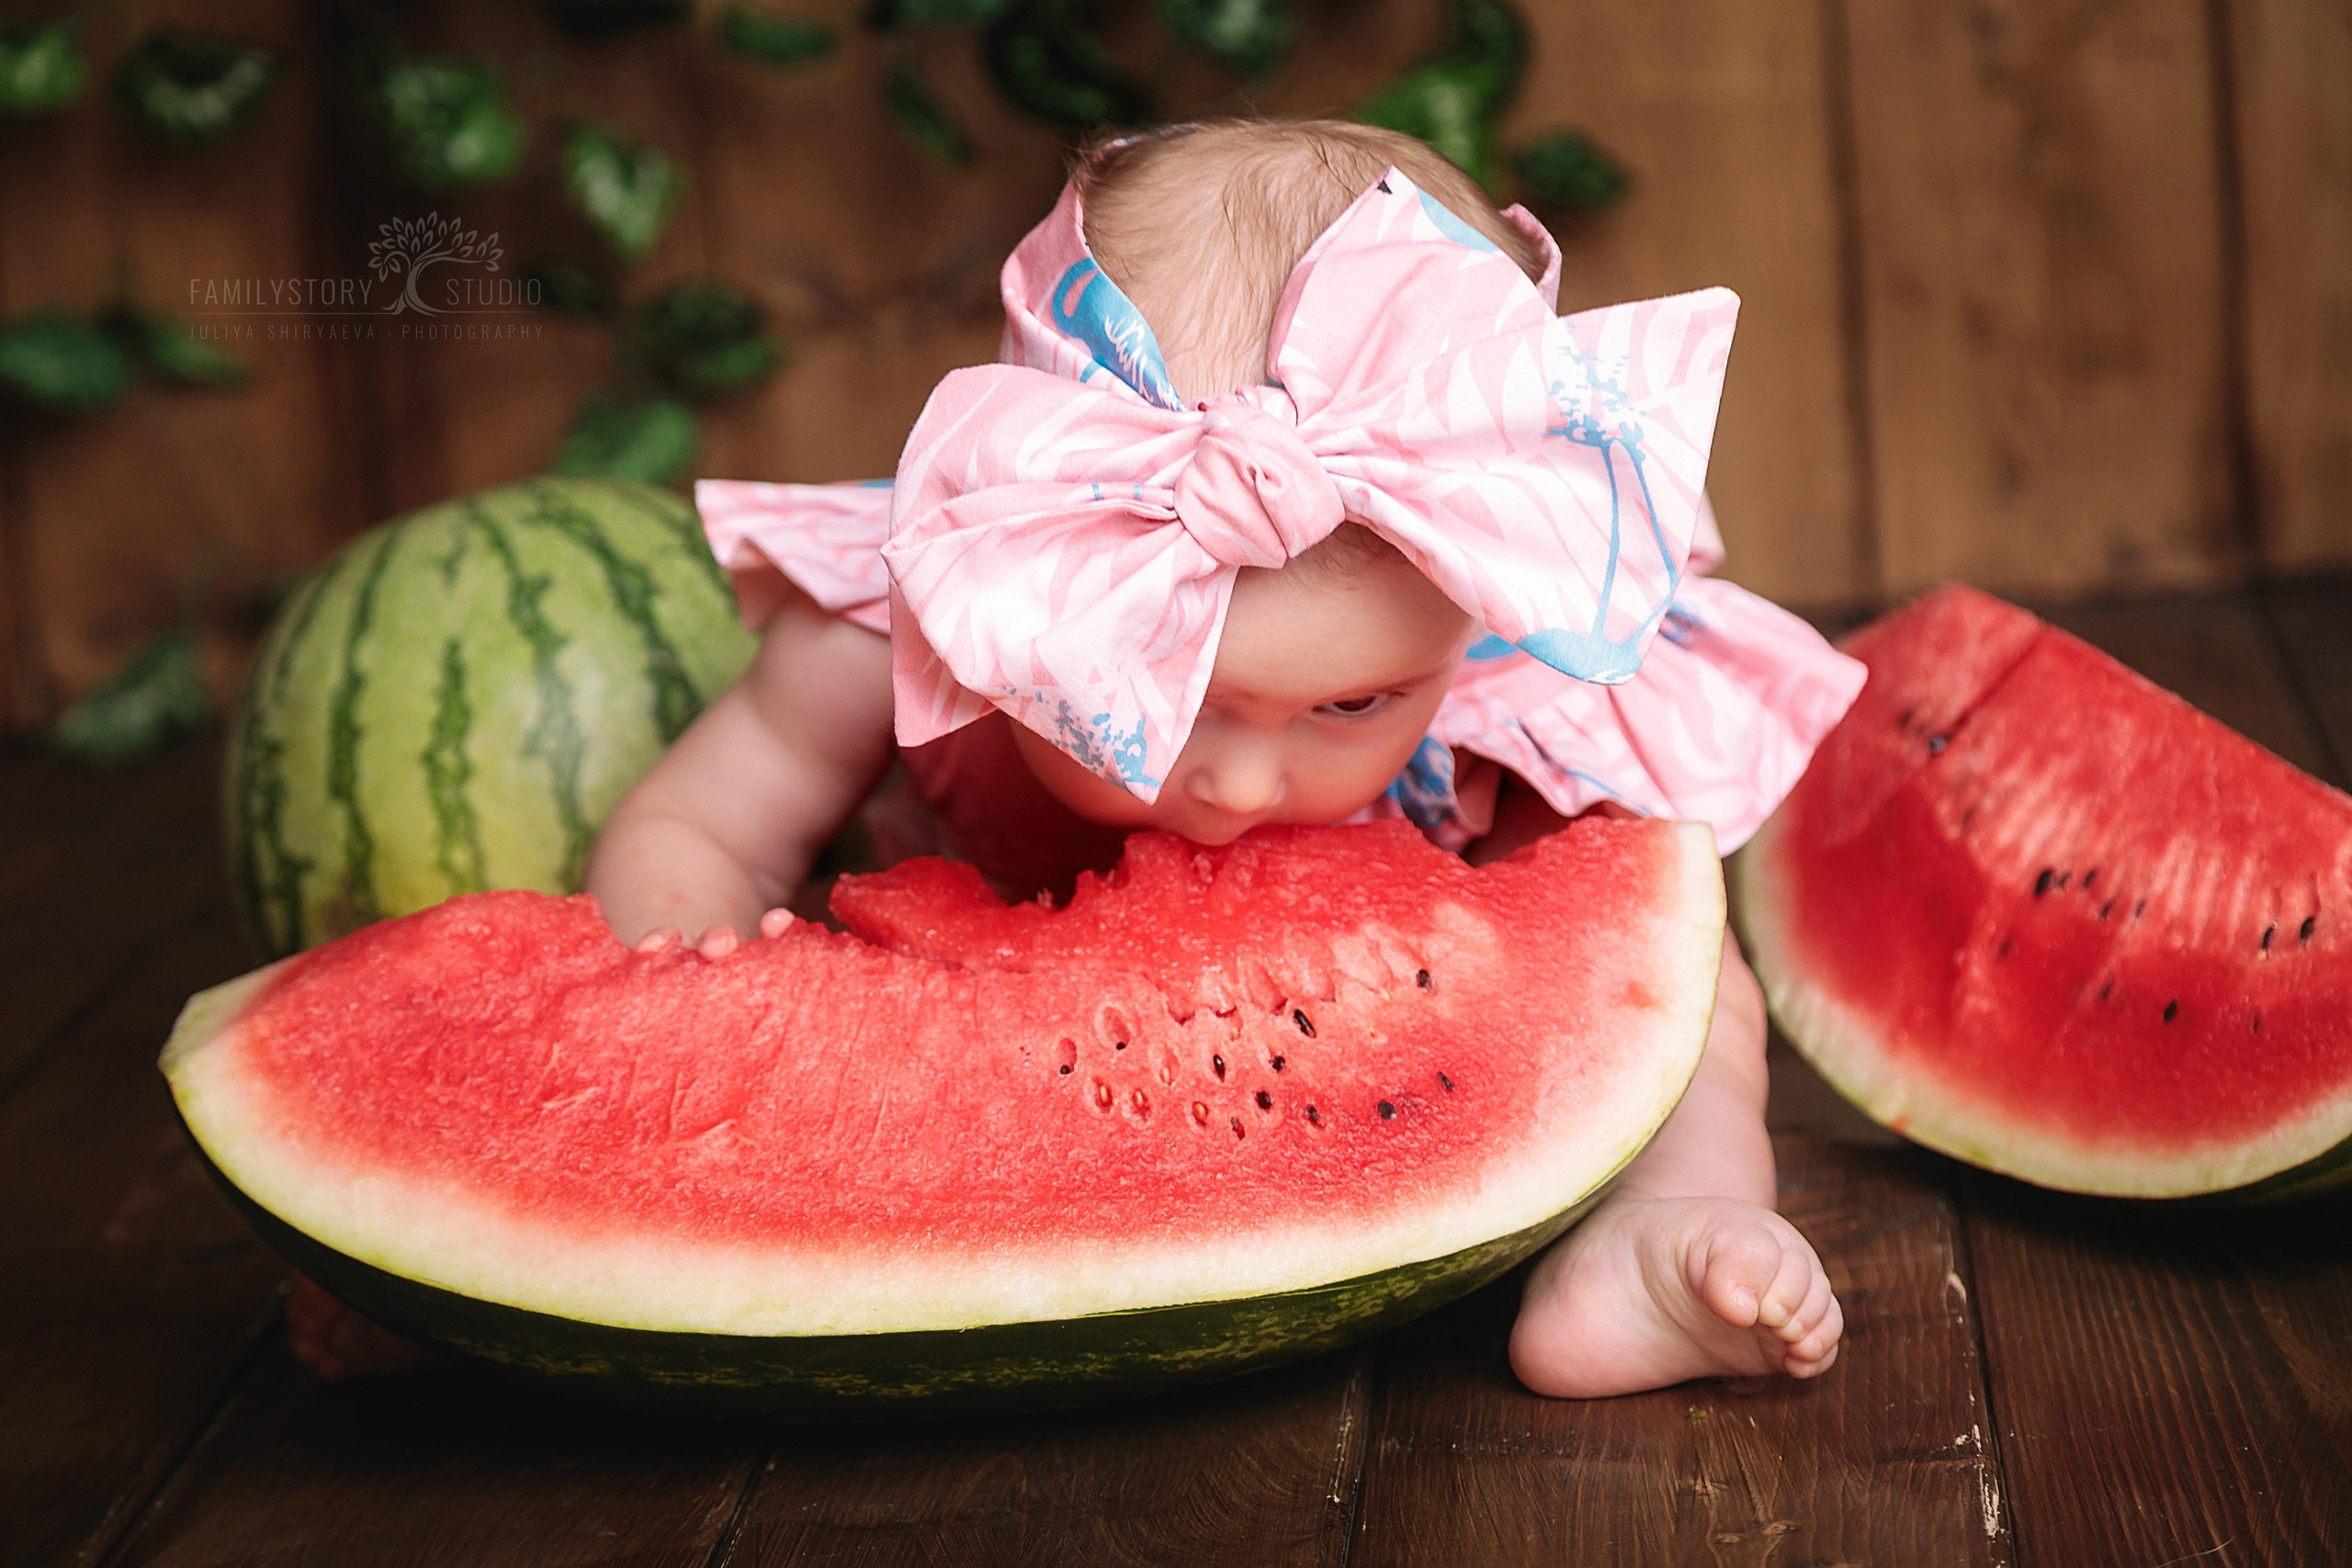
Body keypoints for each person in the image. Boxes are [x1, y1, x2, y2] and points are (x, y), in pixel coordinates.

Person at [294, 117, 1864, 1397]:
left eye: (1350, 712)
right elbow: (702, 828)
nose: (1245, 790)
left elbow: (1611, 975)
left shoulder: (1496, 680)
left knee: (1689, 984)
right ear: (1032, 574)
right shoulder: (897, 628)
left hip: (1385, 1089)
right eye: (1165, 697)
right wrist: (697, 1022)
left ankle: (1668, 1238)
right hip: (963, 1078)